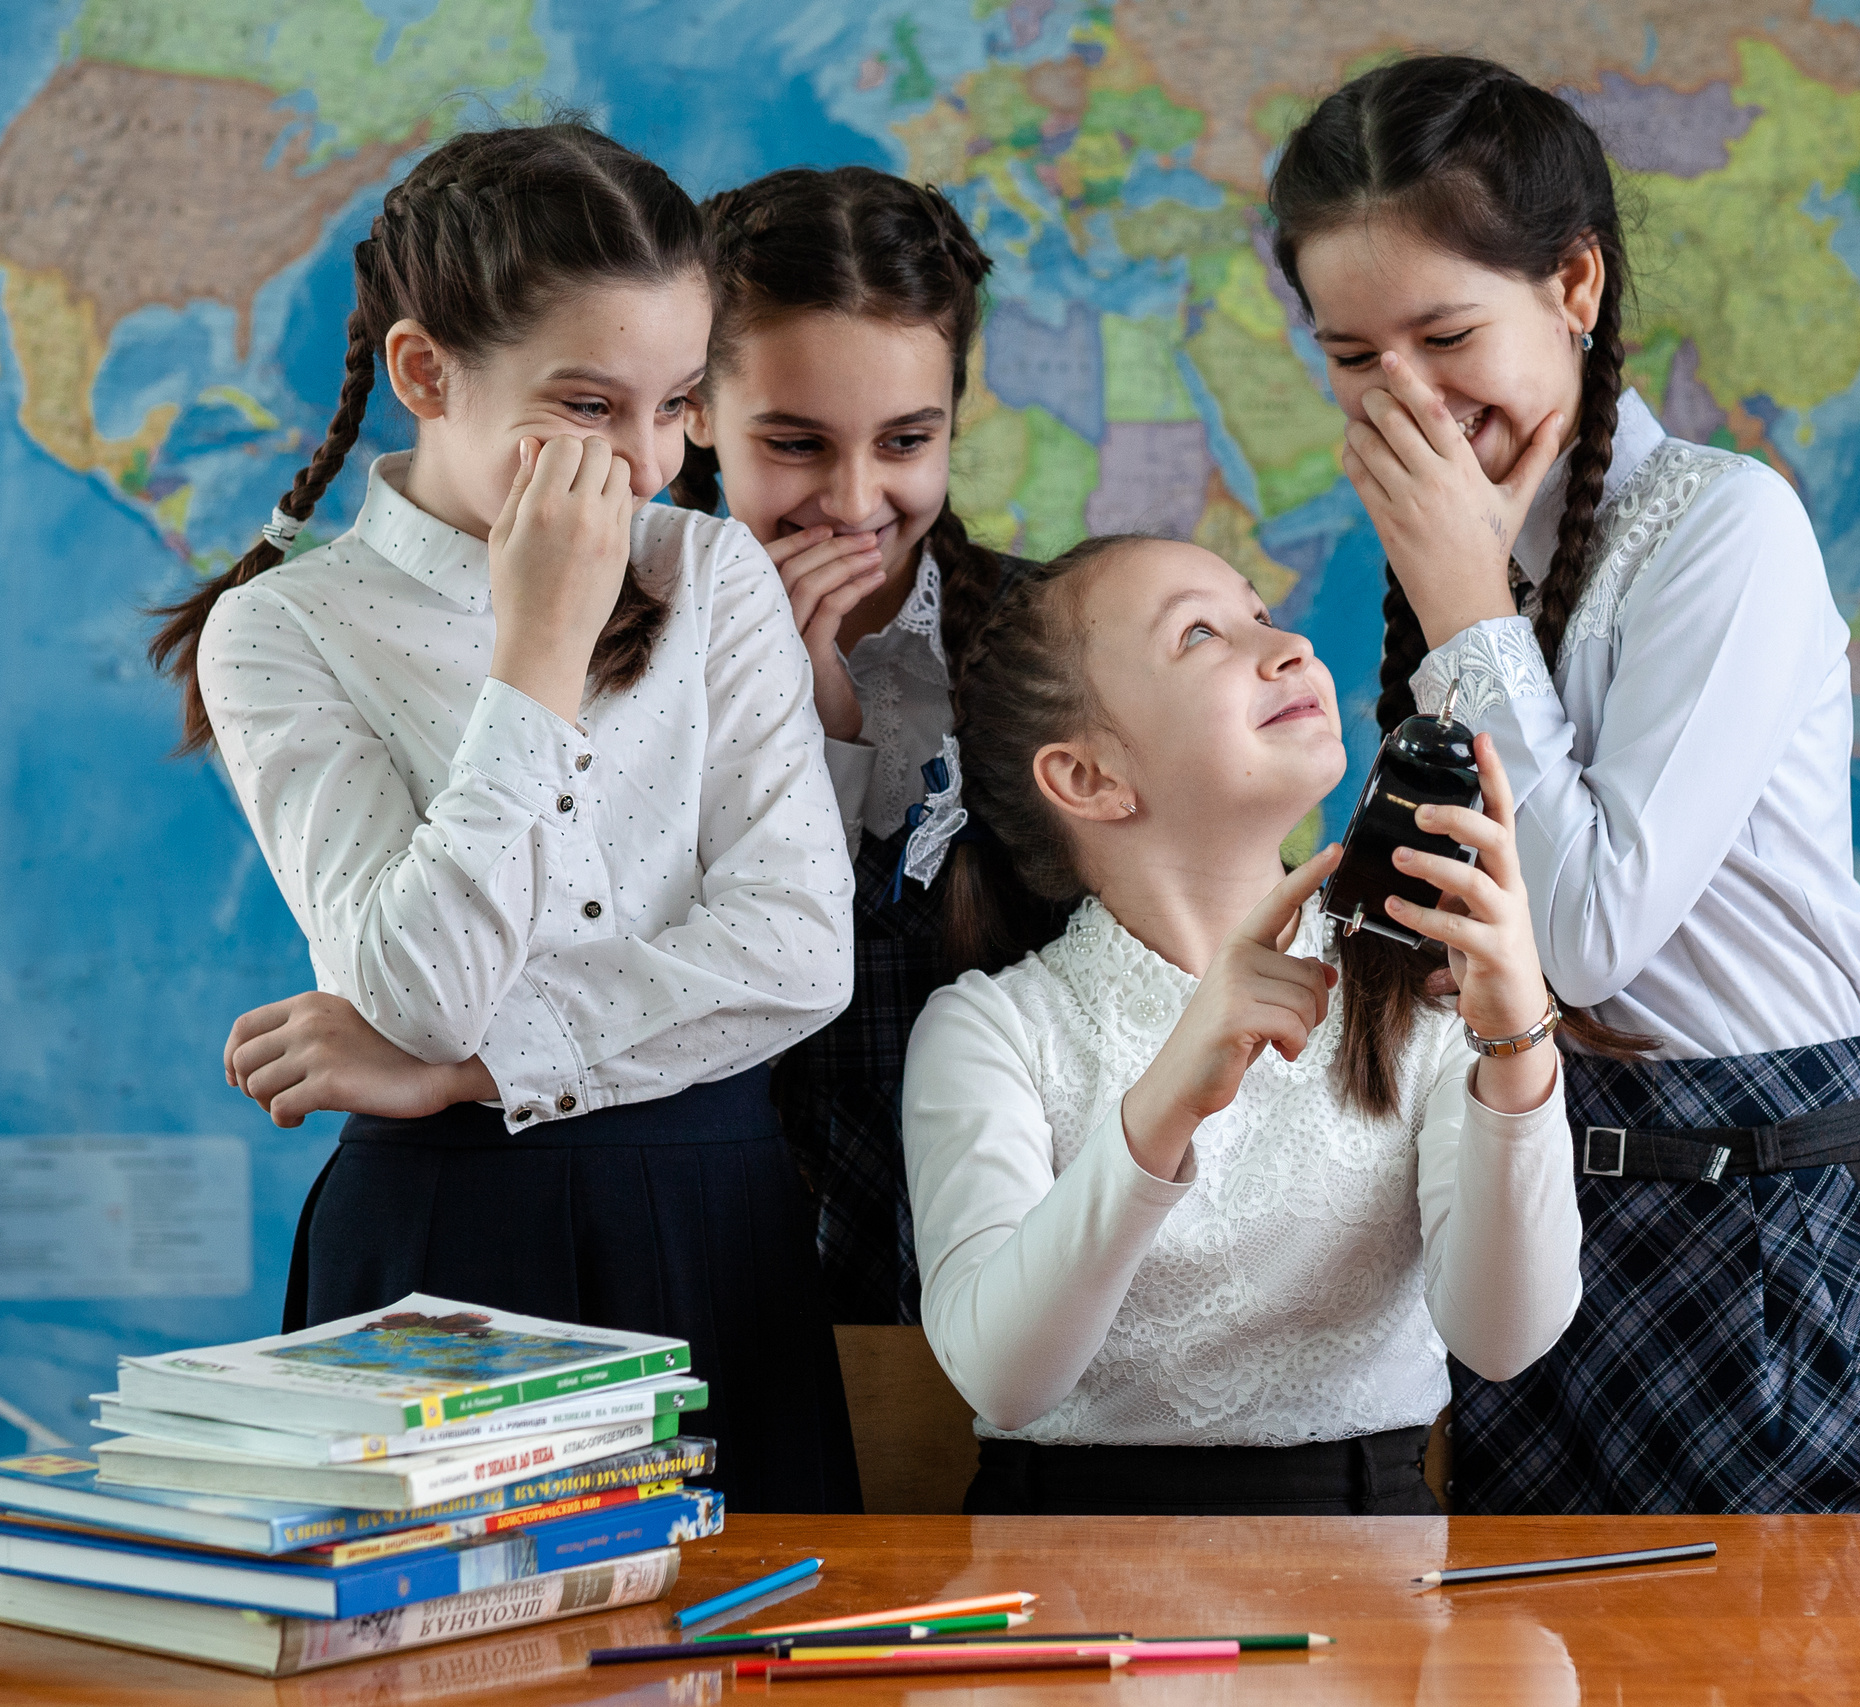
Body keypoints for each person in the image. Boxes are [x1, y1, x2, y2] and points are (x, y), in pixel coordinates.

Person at [147, 123, 861, 1513]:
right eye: (591, 406)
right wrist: (538, 649)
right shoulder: (279, 628)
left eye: (675, 404)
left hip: (713, 1209)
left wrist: (480, 1067)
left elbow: (796, 954)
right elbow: (417, 988)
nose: (649, 465)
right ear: (425, 371)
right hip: (439, 1231)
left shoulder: (711, 574)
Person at [1269, 55, 1860, 1515]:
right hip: (1540, 1203)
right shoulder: (1479, 554)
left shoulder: (1724, 529)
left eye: (1446, 333)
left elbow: (1583, 937)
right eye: (1353, 358)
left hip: (1757, 1209)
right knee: (1522, 1658)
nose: (1410, 403)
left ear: (1575, 283)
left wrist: (1460, 606)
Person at [901, 532, 1583, 1516]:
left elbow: (1504, 1338)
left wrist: (1518, 1045)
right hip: (1059, 1582)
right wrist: (1166, 1099)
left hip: (1374, 1574)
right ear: (1087, 779)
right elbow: (1003, 1380)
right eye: (1198, 635)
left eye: (1261, 615)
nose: (1289, 645)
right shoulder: (994, 1032)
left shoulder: (1422, 996)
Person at [670, 166, 1048, 1325]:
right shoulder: (609, 654)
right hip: (715, 1261)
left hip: (1013, 1266)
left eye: (903, 440)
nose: (853, 500)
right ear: (693, 407)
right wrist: (786, 693)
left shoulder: (1055, 645)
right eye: (793, 443)